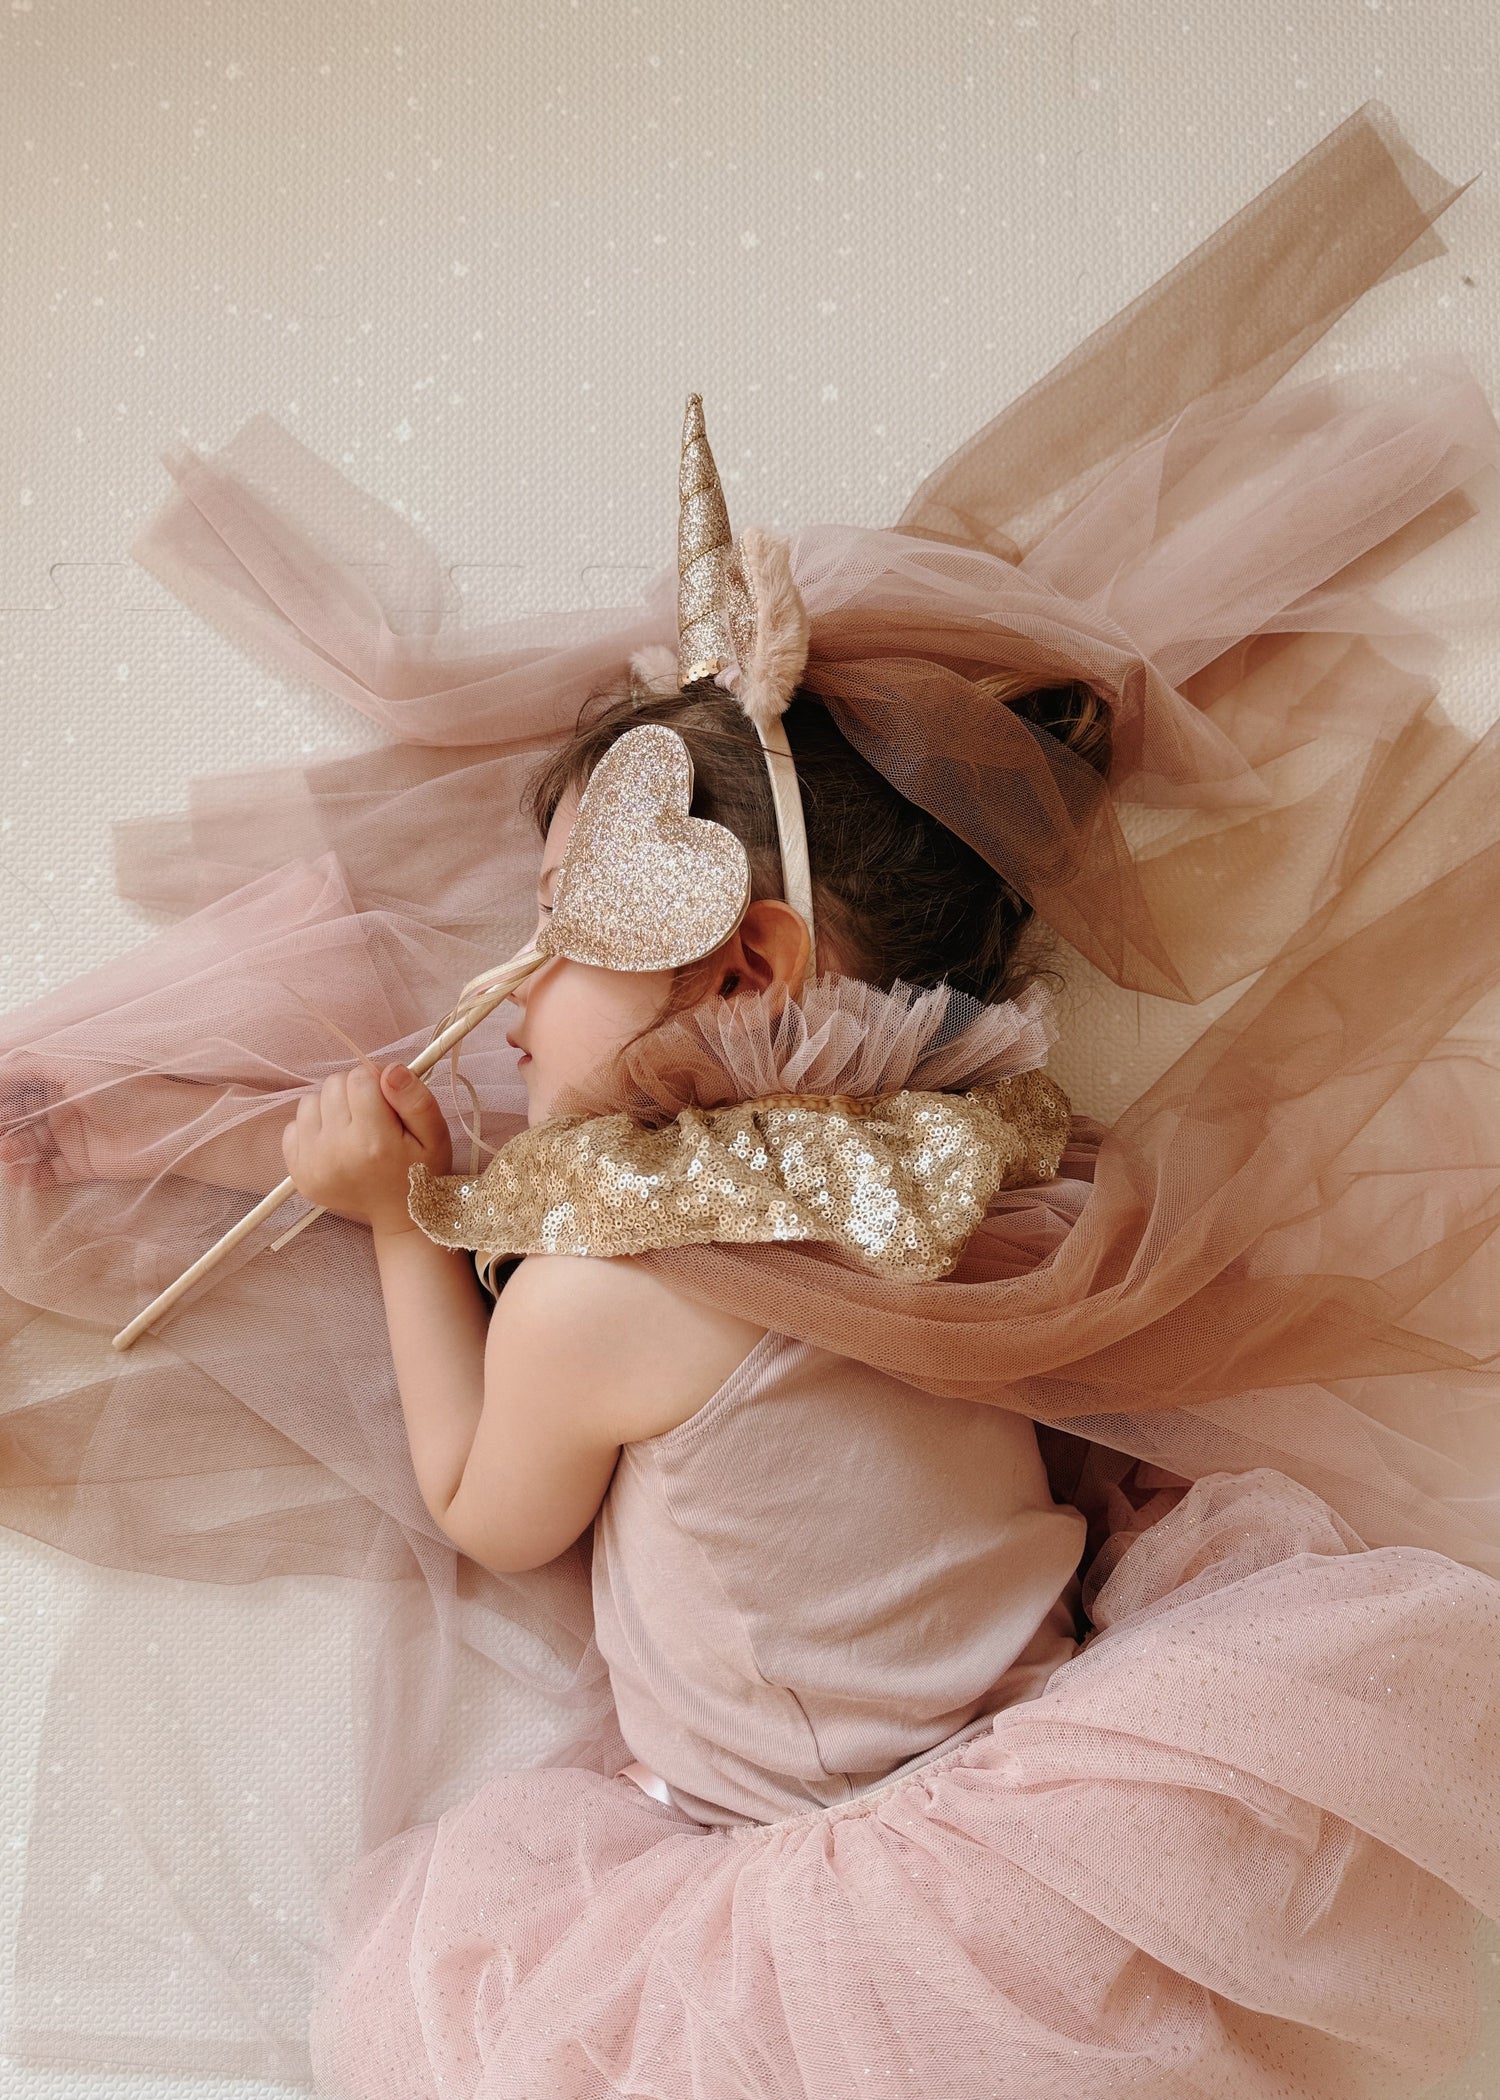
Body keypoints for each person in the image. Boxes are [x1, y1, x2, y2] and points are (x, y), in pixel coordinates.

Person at [3, 97, 1500, 2099]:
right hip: (1063, 1774)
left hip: (836, 1887)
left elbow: (492, 1516)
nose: (510, 1001)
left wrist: (392, 1229)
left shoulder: (611, 1291)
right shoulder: (959, 1179)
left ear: (743, 969)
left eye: (556, 941)